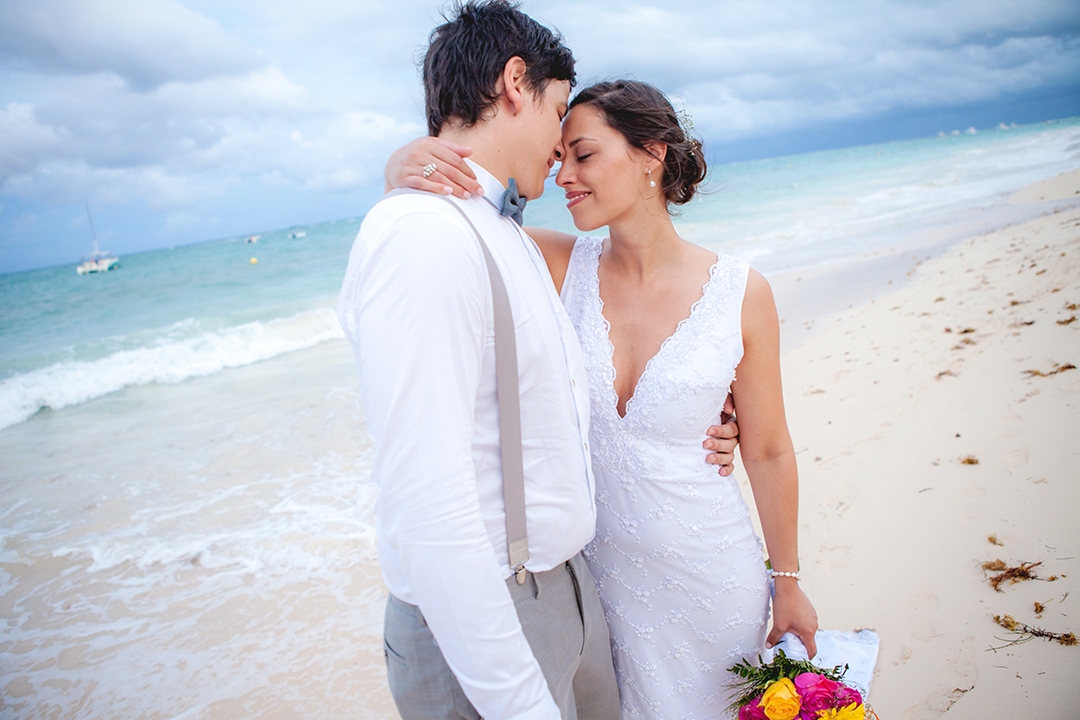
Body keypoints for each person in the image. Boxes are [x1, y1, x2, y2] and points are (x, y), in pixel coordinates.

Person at [338, 3, 738, 719]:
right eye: (559, 111)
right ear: (516, 83)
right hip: (488, 619)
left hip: (570, 595)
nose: (562, 147)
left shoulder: (506, 236)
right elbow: (429, 502)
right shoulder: (421, 238)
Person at [387, 78, 818, 718]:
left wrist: (788, 582)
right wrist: (399, 169)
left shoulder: (741, 293)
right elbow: (454, 228)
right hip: (600, 592)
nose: (562, 176)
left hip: (712, 576)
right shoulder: (557, 266)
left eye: (583, 155)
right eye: (558, 158)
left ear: (651, 154)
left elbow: (769, 448)